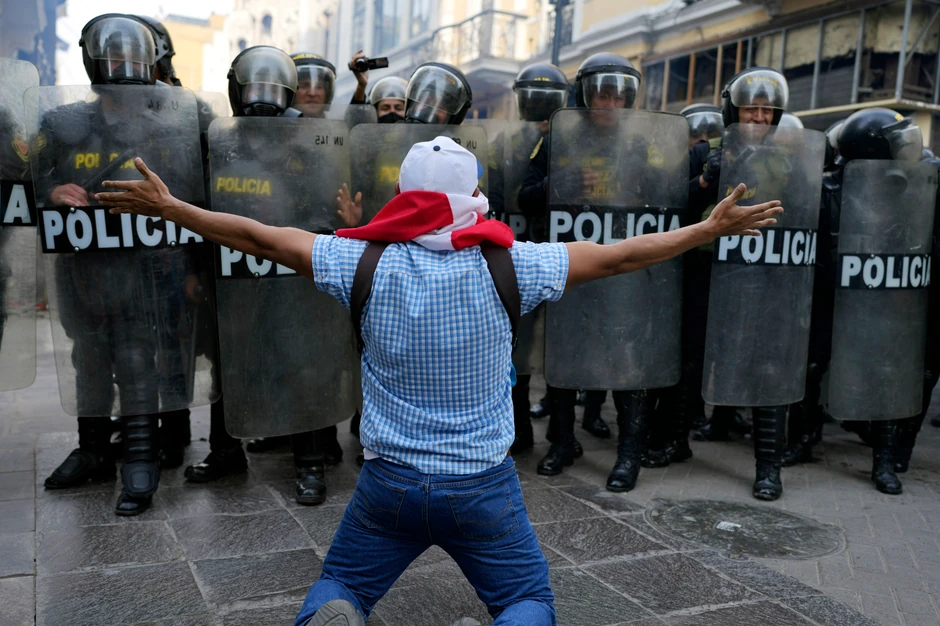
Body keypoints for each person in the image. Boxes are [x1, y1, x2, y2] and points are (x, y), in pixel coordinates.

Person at [97, 124, 780, 626]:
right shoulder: (515, 265)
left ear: (402, 196)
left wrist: (176, 209)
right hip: (482, 487)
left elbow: (258, 236)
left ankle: (333, 615)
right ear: (474, 196)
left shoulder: (359, 263)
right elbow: (619, 256)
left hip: (388, 485)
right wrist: (703, 230)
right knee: (526, 601)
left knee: (342, 586)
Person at [39, 14, 212, 515]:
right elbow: (22, 173)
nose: (123, 65)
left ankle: (141, 456)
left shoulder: (174, 121)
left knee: (139, 359)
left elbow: (200, 191)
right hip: (83, 269)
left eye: (132, 56)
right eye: (113, 56)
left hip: (149, 267)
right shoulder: (62, 124)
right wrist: (49, 189)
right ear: (95, 61)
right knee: (88, 360)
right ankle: (93, 449)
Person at [673, 67, 796, 501]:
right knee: (692, 358)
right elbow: (674, 204)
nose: (759, 118)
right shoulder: (708, 150)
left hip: (765, 272)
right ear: (733, 110)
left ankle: (768, 467)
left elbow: (808, 212)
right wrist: (706, 179)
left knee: (765, 363)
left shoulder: (790, 156)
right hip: (707, 271)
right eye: (751, 109)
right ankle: (676, 441)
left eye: (767, 111)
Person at [489, 61, 569, 452]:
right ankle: (520, 430)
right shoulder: (504, 143)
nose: (539, 108)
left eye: (547, 100)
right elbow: (494, 189)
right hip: (517, 253)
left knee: (560, 345)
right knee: (516, 347)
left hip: (562, 252)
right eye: (532, 98)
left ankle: (562, 433)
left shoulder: (572, 140)